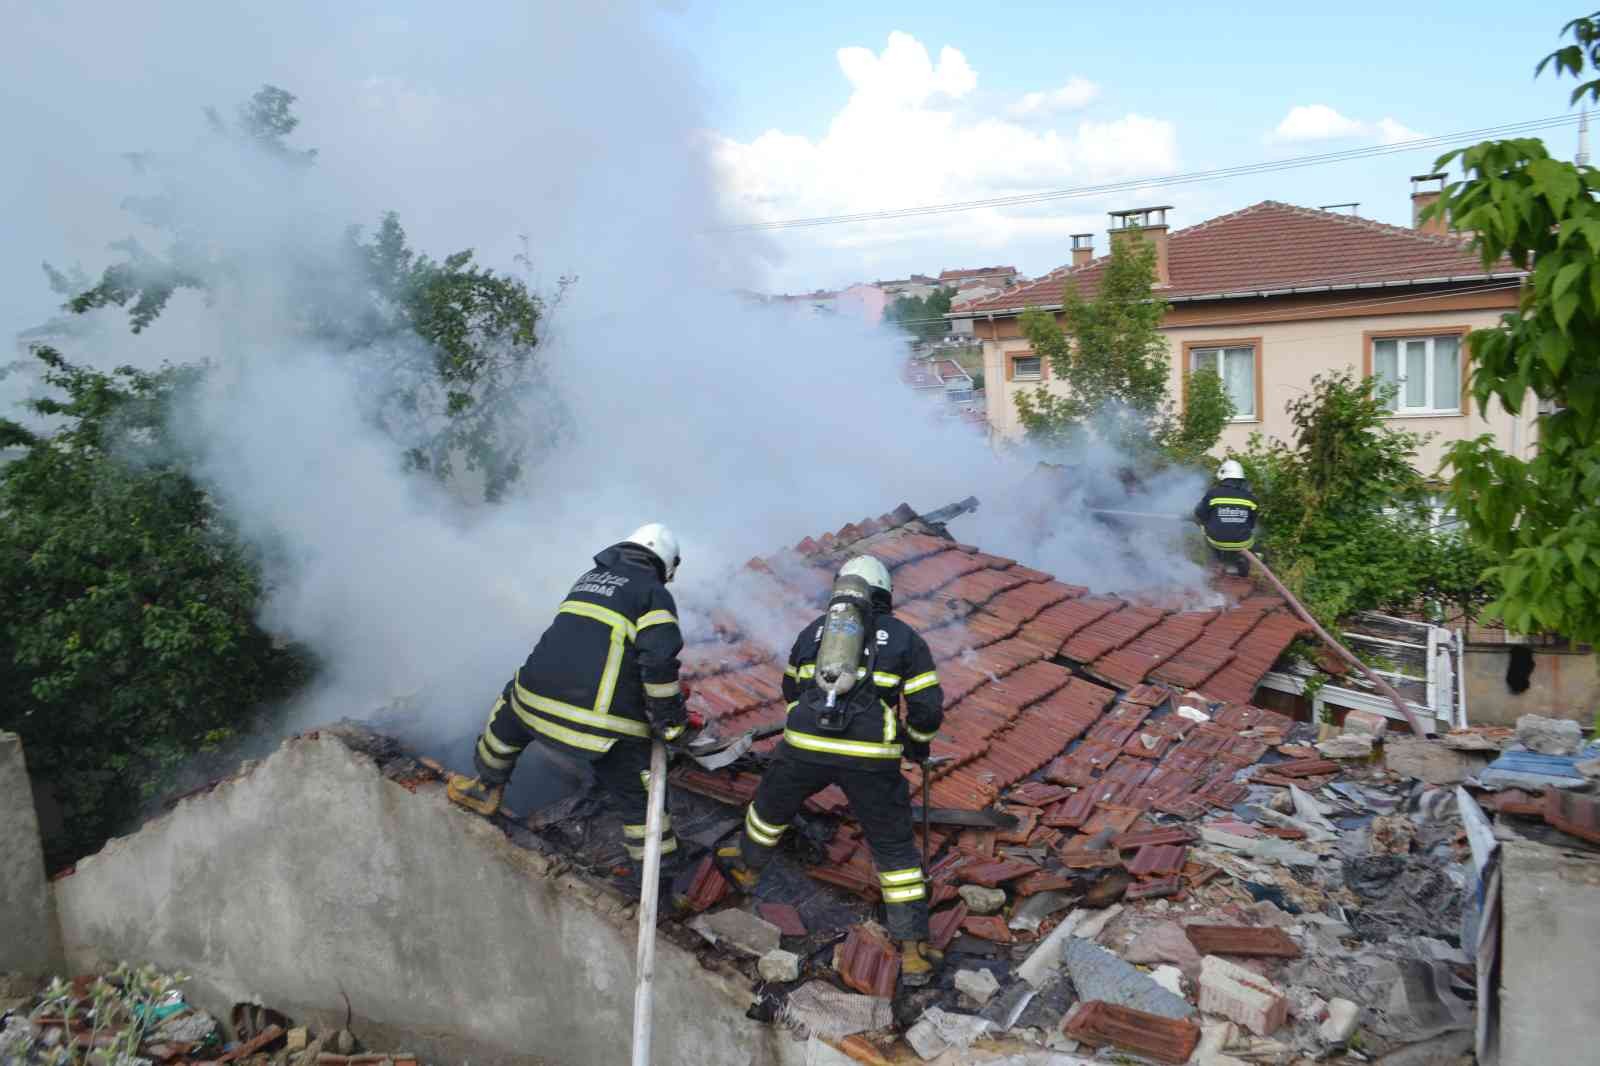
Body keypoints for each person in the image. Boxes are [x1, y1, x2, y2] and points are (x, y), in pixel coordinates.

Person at [716, 555, 947, 985]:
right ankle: (913, 953)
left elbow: (790, 688)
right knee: (895, 850)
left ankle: (747, 869)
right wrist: (915, 742)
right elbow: (927, 707)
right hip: (870, 757)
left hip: (804, 743)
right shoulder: (903, 638)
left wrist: (807, 731)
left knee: (768, 810)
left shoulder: (815, 632)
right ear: (884, 594)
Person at [448, 524, 692, 865]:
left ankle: (484, 788)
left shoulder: (588, 579)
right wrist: (671, 723)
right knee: (644, 806)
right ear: (666, 564)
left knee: (504, 719)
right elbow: (659, 663)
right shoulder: (653, 594)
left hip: (530, 705)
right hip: (598, 729)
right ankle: (659, 892)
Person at [1194, 459, 1258, 577]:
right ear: (1241, 480)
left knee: (1205, 529)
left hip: (1217, 541)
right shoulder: (1251, 498)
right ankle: (1241, 563)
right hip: (1243, 543)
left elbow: (1199, 514)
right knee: (1248, 538)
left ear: (1224, 477)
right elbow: (1252, 524)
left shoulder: (1213, 494)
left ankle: (1214, 564)